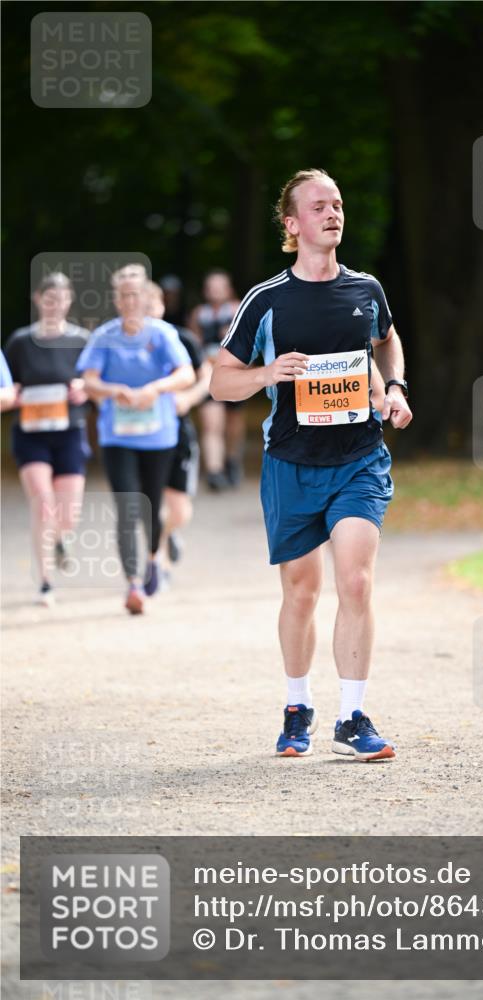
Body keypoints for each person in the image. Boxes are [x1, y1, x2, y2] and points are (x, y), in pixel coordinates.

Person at [211, 168, 412, 761]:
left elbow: (385, 342)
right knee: (302, 591)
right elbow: (220, 382)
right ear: (292, 224)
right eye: (319, 206)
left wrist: (393, 389)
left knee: (355, 579)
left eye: (338, 204)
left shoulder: (366, 290)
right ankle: (297, 705)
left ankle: (352, 715)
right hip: (291, 462)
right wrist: (266, 374)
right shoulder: (267, 300)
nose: (333, 213)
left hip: (359, 458)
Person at [77, 264, 195, 615]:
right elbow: (89, 380)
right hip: (117, 436)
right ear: (116, 299)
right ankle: (133, 583)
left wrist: (153, 389)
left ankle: (153, 559)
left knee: (151, 505)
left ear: (145, 297)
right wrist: (114, 390)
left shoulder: (161, 334)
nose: (130, 301)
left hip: (159, 435)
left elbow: (186, 373)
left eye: (135, 295)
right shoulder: (104, 336)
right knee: (128, 508)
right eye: (123, 295)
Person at [4, 273, 90, 607]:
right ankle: (45, 582)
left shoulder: (82, 340)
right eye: (48, 298)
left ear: (69, 301)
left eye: (61, 298)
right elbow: (7, 385)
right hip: (30, 435)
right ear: (38, 300)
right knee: (42, 504)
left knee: (68, 515)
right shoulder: (20, 342)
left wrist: (84, 389)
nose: (54, 305)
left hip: (69, 433)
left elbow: (96, 383)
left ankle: (61, 538)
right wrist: (15, 395)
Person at [144, 281, 211, 573]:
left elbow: (206, 376)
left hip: (176, 432)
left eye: (151, 306)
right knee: (147, 502)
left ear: (161, 306)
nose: (145, 313)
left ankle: (169, 533)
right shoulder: (120, 343)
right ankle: (154, 562)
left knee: (179, 510)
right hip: (139, 435)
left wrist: (187, 398)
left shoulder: (181, 338)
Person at [189, 270, 245, 490]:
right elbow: (195, 343)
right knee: (212, 424)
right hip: (209, 375)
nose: (215, 291)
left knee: (232, 424)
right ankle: (214, 471)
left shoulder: (237, 309)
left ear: (228, 289)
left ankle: (231, 460)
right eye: (211, 286)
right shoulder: (198, 314)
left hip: (235, 373)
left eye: (219, 286)